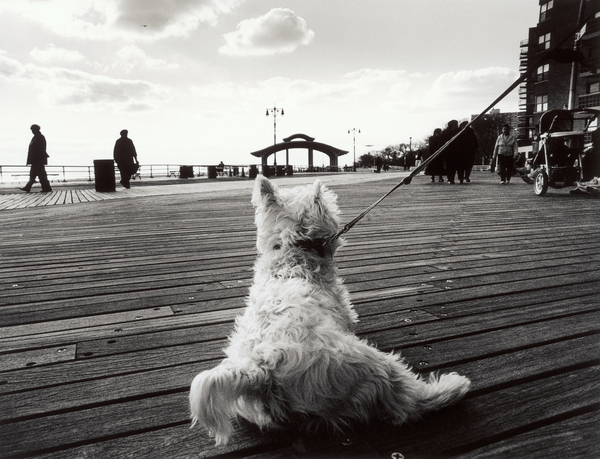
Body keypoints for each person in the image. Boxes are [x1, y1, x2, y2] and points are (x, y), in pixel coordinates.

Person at [20, 124, 52, 193]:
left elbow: (39, 149)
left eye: (33, 130)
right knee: (40, 174)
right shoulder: (36, 137)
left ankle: (28, 187)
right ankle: (46, 187)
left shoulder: (39, 137)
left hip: (37, 160)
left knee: (37, 174)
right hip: (36, 160)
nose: (32, 131)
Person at [441, 120, 460, 184]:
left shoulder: (458, 131)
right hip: (448, 152)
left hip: (455, 151)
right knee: (449, 166)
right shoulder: (446, 133)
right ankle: (450, 178)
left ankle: (451, 178)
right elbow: (442, 142)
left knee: (453, 166)